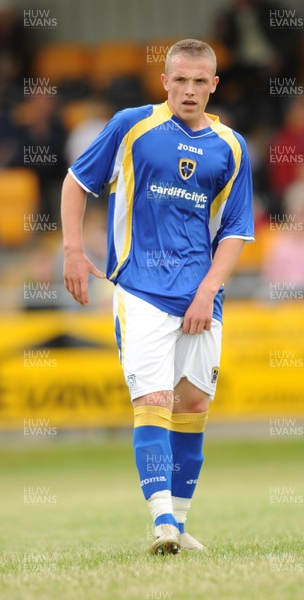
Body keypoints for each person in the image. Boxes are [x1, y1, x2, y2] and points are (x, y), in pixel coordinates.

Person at [61, 39, 254, 555]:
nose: (189, 90)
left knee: (193, 404)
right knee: (154, 400)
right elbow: (77, 181)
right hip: (141, 288)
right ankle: (162, 522)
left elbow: (236, 230)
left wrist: (208, 290)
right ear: (164, 81)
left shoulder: (231, 146)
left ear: (214, 85)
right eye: (180, 80)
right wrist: (73, 251)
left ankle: (181, 524)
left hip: (200, 297)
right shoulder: (132, 125)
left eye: (200, 82)